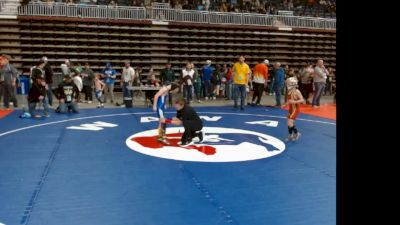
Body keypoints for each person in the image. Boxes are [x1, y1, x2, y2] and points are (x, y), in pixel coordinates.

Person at [285, 77, 304, 141]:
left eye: (288, 83)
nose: (287, 85)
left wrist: (294, 102)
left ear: (292, 84)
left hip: (295, 109)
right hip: (291, 109)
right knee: (289, 123)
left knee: (290, 123)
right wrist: (285, 104)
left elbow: (302, 100)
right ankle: (291, 135)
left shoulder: (297, 91)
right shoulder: (289, 91)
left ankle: (297, 133)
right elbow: (289, 100)